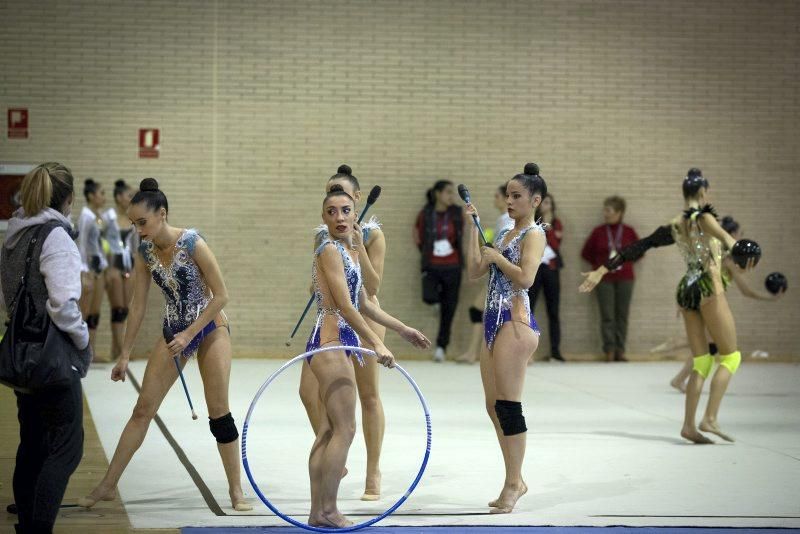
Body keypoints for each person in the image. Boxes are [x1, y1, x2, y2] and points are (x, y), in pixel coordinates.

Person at [78, 178, 252, 511]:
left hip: (210, 325)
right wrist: (125, 354)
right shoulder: (144, 251)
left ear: (162, 214)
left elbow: (222, 296)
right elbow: (138, 305)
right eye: (133, 224)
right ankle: (108, 485)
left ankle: (236, 490)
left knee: (218, 412)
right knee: (142, 410)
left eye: (142, 222)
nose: (138, 229)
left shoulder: (193, 243)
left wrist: (191, 334)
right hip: (174, 329)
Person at [580, 168, 755, 443]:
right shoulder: (704, 217)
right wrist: (744, 250)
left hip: (687, 289)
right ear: (702, 192)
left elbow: (641, 246)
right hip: (710, 286)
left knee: (702, 360)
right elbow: (732, 243)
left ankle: (688, 425)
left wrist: (603, 269)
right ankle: (709, 419)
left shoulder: (676, 225)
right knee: (731, 357)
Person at [306, 188, 430, 527]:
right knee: (344, 428)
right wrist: (377, 342)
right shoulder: (329, 249)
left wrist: (403, 329)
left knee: (330, 430)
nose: (339, 217)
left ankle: (318, 512)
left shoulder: (350, 251)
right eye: (331, 212)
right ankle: (328, 509)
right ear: (323, 218)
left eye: (345, 210)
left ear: (355, 211)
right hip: (330, 339)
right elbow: (345, 306)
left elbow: (364, 303)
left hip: (339, 340)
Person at [1, 162, 89, 534]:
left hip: (22, 355)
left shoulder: (14, 235)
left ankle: (25, 514)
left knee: (33, 440)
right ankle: (37, 527)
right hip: (52, 359)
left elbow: (9, 300)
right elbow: (63, 305)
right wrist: (83, 341)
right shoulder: (57, 237)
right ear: (68, 199)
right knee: (66, 448)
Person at [299, 165, 388, 500]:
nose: (336, 206)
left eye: (342, 194)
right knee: (308, 392)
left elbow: (374, 284)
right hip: (333, 317)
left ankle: (373, 471)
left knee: (367, 396)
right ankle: (334, 449)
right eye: (329, 196)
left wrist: (358, 245)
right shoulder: (322, 236)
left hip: (366, 313)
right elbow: (318, 282)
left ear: (357, 199)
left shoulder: (373, 235)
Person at [464, 163, 547, 514]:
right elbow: (473, 272)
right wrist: (473, 228)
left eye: (517, 196)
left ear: (535, 200)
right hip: (493, 321)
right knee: (491, 404)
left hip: (515, 321)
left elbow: (526, 278)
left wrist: (498, 257)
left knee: (508, 405)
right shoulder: (502, 234)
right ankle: (515, 478)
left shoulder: (534, 234)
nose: (510, 201)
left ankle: (514, 482)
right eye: (508, 195)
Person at [667, 215, 785, 392]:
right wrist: (771, 298)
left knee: (707, 345)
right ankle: (675, 354)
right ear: (730, 234)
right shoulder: (728, 259)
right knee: (712, 347)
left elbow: (693, 274)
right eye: (739, 234)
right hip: (706, 302)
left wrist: (682, 300)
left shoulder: (718, 253)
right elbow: (747, 291)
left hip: (702, 300)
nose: (739, 239)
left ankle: (679, 376)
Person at [456, 184, 511, 364]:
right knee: (480, 310)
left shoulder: (508, 221)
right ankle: (474, 352)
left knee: (499, 315)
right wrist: (475, 228)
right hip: (496, 275)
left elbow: (498, 253)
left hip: (505, 281)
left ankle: (475, 352)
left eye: (497, 196)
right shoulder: (502, 220)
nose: (494, 199)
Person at [580, 196, 639, 361]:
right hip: (603, 279)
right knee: (607, 316)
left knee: (622, 315)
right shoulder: (598, 232)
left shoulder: (628, 231)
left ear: (619, 212)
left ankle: (620, 350)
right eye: (604, 210)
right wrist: (599, 266)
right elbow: (585, 253)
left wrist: (625, 263)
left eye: (608, 210)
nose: (605, 213)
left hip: (625, 277)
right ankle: (609, 350)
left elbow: (639, 251)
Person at [413, 180, 463, 362]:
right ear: (438, 194)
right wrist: (426, 252)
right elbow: (417, 235)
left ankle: (441, 347)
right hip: (432, 263)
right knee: (429, 296)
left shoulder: (457, 213)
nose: (451, 196)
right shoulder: (426, 214)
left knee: (449, 309)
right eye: (448, 192)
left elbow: (461, 233)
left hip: (453, 265)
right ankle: (436, 302)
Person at [102, 179, 139, 360]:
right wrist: (108, 269)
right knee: (117, 309)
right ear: (118, 197)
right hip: (114, 265)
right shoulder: (109, 217)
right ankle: (117, 350)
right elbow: (102, 245)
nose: (132, 198)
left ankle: (119, 350)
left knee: (125, 309)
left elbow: (136, 246)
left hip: (130, 266)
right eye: (129, 195)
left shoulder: (133, 217)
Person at [529, 193, 564, 361]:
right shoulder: (532, 223)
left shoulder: (557, 224)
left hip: (551, 268)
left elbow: (556, 245)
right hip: (535, 269)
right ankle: (528, 351)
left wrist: (549, 228)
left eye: (549, 202)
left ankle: (555, 351)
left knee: (554, 310)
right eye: (543, 203)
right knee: (529, 308)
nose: (546, 205)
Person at [76, 178, 108, 360]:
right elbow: (80, 245)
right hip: (88, 270)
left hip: (98, 269)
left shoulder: (97, 215)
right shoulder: (85, 217)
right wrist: (83, 271)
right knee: (84, 313)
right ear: (90, 195)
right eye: (101, 193)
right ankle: (79, 353)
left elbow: (98, 244)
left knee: (94, 314)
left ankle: (91, 352)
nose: (104, 197)